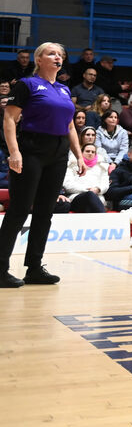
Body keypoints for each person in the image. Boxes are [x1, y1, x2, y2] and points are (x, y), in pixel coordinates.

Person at [0, 43, 82, 286]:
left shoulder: (65, 89)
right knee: (19, 210)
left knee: (45, 212)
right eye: (51, 53)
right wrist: (14, 153)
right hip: (32, 150)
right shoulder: (27, 85)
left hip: (58, 153)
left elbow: (69, 126)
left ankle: (34, 268)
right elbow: (10, 119)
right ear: (39, 59)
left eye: (60, 54)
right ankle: (0, 268)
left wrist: (78, 155)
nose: (57, 57)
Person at [61, 141, 109, 213]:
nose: (90, 153)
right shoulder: (72, 164)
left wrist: (98, 189)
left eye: (93, 152)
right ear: (81, 153)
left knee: (92, 201)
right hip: (76, 196)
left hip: (97, 197)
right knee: (90, 195)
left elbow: (105, 184)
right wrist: (86, 190)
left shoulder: (102, 167)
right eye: (87, 151)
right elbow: (67, 184)